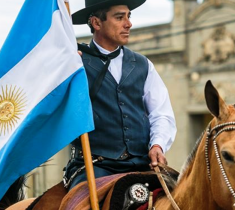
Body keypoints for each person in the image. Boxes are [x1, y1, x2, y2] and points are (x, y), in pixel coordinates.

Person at [63, 0, 177, 191]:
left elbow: (161, 113)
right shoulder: (74, 61)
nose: (128, 24)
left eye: (128, 16)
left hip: (142, 163)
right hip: (95, 165)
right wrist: (64, 69)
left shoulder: (143, 64)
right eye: (119, 17)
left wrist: (157, 145)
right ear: (97, 23)